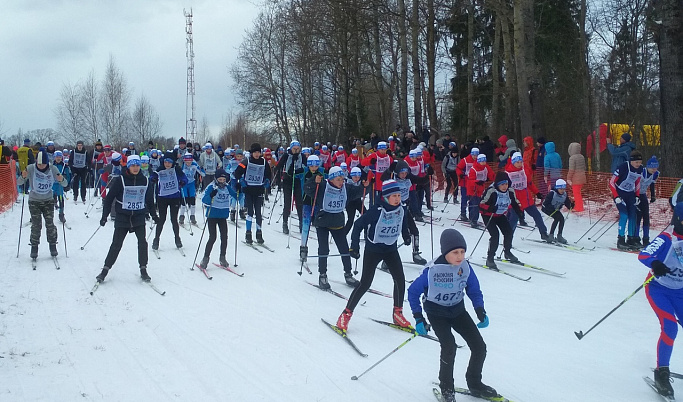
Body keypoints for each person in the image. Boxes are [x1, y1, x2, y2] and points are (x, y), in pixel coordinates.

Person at [408, 229, 497, 402]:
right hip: (436, 313)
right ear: (445, 252)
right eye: (455, 252)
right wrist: (419, 318)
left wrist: (480, 309)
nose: (460, 256)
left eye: (463, 252)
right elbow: (412, 292)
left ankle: (475, 383)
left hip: (457, 311)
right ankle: (447, 390)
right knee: (449, 347)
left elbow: (473, 288)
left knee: (479, 347)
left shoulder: (465, 267)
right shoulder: (432, 270)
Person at [336, 180, 413, 332]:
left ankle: (398, 313)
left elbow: (403, 221)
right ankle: (345, 315)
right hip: (374, 249)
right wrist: (355, 246)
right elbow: (358, 225)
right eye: (393, 196)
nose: (397, 199)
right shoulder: (375, 211)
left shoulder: (401, 208)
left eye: (399, 195)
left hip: (390, 249)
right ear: (385, 197)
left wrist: (406, 234)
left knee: (399, 279)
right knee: (365, 283)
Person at [637, 213, 683, 399]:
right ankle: (661, 373)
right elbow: (644, 254)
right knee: (670, 327)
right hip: (658, 289)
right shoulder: (667, 237)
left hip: (680, 291)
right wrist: (655, 263)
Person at [96, 155, 158, 283]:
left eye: (137, 165)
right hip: (123, 216)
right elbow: (109, 199)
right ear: (128, 166)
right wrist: (104, 216)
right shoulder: (121, 180)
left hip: (138, 216)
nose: (135, 168)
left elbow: (150, 200)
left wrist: (154, 215)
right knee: (116, 244)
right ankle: (105, 270)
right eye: (132, 166)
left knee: (142, 242)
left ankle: (143, 269)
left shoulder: (145, 180)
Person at [305, 166, 358, 288]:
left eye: (342, 179)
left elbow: (357, 191)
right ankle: (322, 275)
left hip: (337, 222)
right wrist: (314, 180)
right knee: (324, 249)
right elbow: (308, 189)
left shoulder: (346, 188)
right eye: (338, 179)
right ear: (332, 179)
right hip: (322, 222)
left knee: (344, 249)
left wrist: (365, 185)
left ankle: (348, 274)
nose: (341, 182)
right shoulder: (323, 186)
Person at [17, 149, 68, 258]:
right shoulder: (30, 168)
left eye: (43, 164)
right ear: (36, 162)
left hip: (48, 200)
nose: (41, 166)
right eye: (39, 164)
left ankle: (53, 245)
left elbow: (65, 184)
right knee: (36, 225)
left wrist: (61, 179)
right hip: (34, 201)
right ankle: (34, 247)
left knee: (50, 224)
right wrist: (23, 176)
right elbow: (19, 182)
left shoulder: (52, 168)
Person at [479, 171, 523, 268]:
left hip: (499, 215)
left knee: (508, 232)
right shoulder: (491, 191)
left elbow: (514, 203)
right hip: (488, 215)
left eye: (506, 184)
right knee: (495, 235)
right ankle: (490, 258)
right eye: (502, 184)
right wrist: (490, 208)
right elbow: (481, 204)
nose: (505, 186)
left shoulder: (510, 191)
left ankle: (507, 252)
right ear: (497, 184)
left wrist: (520, 213)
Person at [233, 143, 272, 245]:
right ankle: (248, 233)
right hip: (248, 189)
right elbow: (237, 172)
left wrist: (267, 180)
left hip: (259, 189)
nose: (256, 154)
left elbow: (269, 173)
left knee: (258, 212)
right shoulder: (246, 161)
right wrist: (241, 180)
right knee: (250, 212)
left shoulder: (264, 162)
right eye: (255, 152)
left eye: (258, 152)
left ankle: (259, 233)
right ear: (251, 153)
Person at [150, 151, 189, 251]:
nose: (167, 164)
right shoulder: (160, 169)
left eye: (169, 162)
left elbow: (184, 178)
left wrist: (183, 182)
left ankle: (177, 239)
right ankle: (156, 239)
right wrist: (153, 179)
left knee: (173, 219)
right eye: (166, 162)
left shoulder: (176, 169)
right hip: (162, 197)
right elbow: (153, 175)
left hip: (174, 197)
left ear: (173, 162)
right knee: (161, 219)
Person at [199, 169, 238, 269]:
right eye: (220, 179)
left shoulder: (227, 187)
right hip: (212, 215)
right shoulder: (211, 186)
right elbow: (204, 199)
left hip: (223, 216)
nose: (221, 181)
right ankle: (205, 258)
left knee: (224, 237)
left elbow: (236, 196)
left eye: (223, 179)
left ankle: (222, 257)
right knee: (212, 237)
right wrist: (211, 195)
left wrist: (239, 190)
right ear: (216, 178)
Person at [505, 152, 548, 240]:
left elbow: (529, 183)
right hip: (515, 201)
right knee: (513, 220)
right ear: (513, 162)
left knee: (537, 215)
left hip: (527, 199)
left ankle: (544, 233)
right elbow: (504, 188)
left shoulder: (524, 170)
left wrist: (537, 192)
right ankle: (508, 238)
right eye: (517, 162)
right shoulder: (508, 173)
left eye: (521, 162)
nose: (520, 164)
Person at [609, 150, 644, 250]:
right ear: (631, 161)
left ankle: (631, 239)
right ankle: (621, 239)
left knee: (633, 216)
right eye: (636, 162)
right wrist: (616, 196)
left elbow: (637, 182)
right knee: (624, 215)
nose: (638, 164)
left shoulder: (640, 169)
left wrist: (637, 196)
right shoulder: (624, 166)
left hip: (630, 194)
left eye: (640, 162)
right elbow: (612, 182)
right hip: (620, 193)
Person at [275, 141, 306, 234]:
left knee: (300, 203)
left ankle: (301, 223)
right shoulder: (286, 156)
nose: (296, 150)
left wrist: (299, 171)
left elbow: (305, 167)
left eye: (297, 148)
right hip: (287, 181)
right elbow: (278, 166)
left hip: (297, 181)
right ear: (291, 148)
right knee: (287, 203)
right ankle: (285, 223)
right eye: (294, 148)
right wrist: (279, 179)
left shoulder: (302, 156)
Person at [541, 179, 575, 244]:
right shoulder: (552, 193)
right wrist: (552, 208)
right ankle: (551, 235)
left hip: (555, 209)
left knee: (561, 219)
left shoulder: (564, 194)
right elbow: (545, 203)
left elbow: (567, 203)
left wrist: (571, 205)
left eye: (563, 189)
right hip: (547, 209)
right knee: (557, 218)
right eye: (561, 189)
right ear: (557, 188)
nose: (562, 191)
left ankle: (559, 236)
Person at [466, 154, 494, 228]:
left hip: (481, 189)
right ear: (479, 161)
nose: (484, 163)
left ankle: (472, 218)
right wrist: (477, 182)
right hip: (473, 190)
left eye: (485, 161)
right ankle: (473, 220)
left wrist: (490, 178)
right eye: (482, 161)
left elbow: (491, 174)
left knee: (477, 205)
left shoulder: (485, 167)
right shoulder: (473, 169)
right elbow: (470, 181)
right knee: (474, 205)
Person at [636, 156, 660, 246]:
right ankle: (636, 238)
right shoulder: (642, 171)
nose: (654, 170)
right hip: (636, 194)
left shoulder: (656, 174)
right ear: (648, 166)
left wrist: (653, 195)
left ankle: (646, 239)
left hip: (643, 195)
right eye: (652, 168)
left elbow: (652, 184)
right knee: (638, 216)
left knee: (646, 217)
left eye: (656, 168)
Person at [179, 152, 205, 226]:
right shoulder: (182, 165)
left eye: (190, 160)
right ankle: (181, 216)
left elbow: (203, 173)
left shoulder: (194, 164)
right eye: (187, 161)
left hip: (191, 183)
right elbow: (178, 174)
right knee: (185, 199)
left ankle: (192, 216)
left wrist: (201, 169)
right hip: (184, 184)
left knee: (192, 199)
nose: (188, 162)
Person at [456, 147, 479, 221]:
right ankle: (463, 214)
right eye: (474, 155)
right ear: (471, 154)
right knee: (464, 199)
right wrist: (460, 174)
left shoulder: (479, 161)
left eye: (476, 155)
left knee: (472, 199)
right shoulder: (465, 160)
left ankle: (471, 215)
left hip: (473, 184)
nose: (475, 157)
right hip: (465, 182)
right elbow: (458, 168)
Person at [51, 151, 71, 224]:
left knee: (61, 199)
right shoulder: (51, 165)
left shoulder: (64, 166)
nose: (58, 158)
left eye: (59, 157)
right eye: (57, 157)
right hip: (52, 184)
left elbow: (68, 175)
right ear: (54, 157)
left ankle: (61, 214)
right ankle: (50, 215)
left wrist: (67, 184)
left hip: (60, 185)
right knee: (51, 199)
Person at [566, 142, 586, 212]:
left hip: (576, 179)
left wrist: (568, 178)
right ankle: (579, 206)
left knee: (576, 193)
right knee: (578, 193)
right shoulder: (581, 156)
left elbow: (571, 170)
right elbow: (584, 167)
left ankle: (579, 207)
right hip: (582, 177)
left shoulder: (572, 158)